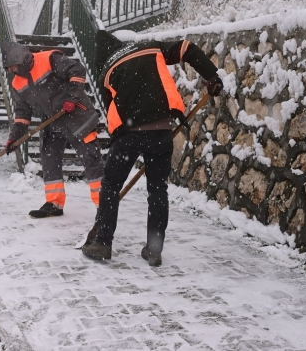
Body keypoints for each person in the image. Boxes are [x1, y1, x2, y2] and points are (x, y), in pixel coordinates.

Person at [82, 31, 223, 266]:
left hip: (128, 135)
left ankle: (103, 242)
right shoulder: (149, 48)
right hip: (161, 128)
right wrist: (212, 76)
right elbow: (186, 47)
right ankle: (154, 249)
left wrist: (119, 141)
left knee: (110, 186)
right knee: (157, 190)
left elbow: (111, 112)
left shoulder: (106, 71)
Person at [0, 41, 105, 218]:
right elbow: (22, 112)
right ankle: (54, 203)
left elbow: (77, 70)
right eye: (8, 68)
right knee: (49, 160)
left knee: (90, 159)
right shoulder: (17, 83)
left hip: (77, 117)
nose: (11, 71)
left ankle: (104, 205)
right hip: (53, 122)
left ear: (20, 59)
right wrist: (15, 137)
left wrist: (72, 97)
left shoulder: (49, 59)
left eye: (12, 66)